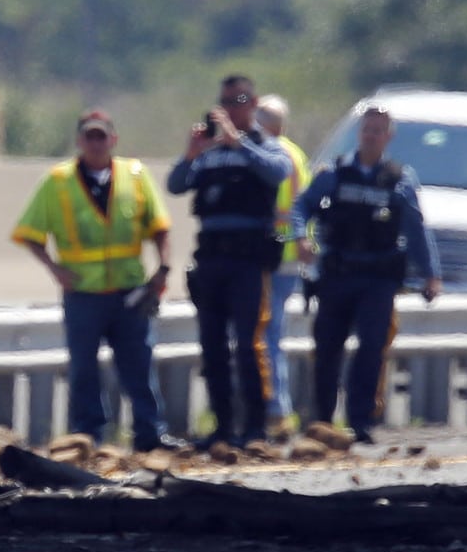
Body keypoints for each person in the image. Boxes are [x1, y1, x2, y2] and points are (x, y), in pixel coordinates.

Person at [13, 109, 181, 453]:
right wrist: (54, 268)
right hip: (83, 292)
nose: (95, 142)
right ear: (78, 141)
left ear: (113, 139)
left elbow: (159, 227)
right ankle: (88, 435)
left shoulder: (135, 176)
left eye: (101, 136)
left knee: (139, 365)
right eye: (89, 136)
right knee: (84, 368)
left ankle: (150, 433)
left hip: (129, 290)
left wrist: (163, 269)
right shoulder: (58, 181)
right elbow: (29, 233)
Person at [291, 105, 442, 445]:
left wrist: (431, 275)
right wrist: (300, 237)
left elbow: (417, 230)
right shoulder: (335, 173)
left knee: (372, 348)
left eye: (378, 131)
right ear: (360, 132)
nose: (371, 136)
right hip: (337, 275)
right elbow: (301, 207)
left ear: (388, 137)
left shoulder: (400, 179)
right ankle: (322, 420)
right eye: (367, 129)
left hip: (378, 278)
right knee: (327, 348)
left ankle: (360, 420)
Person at [166, 75, 291, 449]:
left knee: (249, 345)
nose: (229, 108)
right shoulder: (208, 151)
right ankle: (223, 426)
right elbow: (175, 184)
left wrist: (240, 145)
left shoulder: (264, 146)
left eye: (237, 100)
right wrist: (191, 152)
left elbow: (278, 172)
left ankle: (254, 426)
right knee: (213, 345)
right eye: (224, 101)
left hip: (249, 262)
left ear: (252, 105)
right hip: (212, 260)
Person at [254, 95, 312, 441]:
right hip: (288, 255)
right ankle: (276, 408)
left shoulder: (272, 153)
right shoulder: (296, 152)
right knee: (273, 334)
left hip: (272, 255)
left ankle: (276, 409)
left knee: (266, 334)